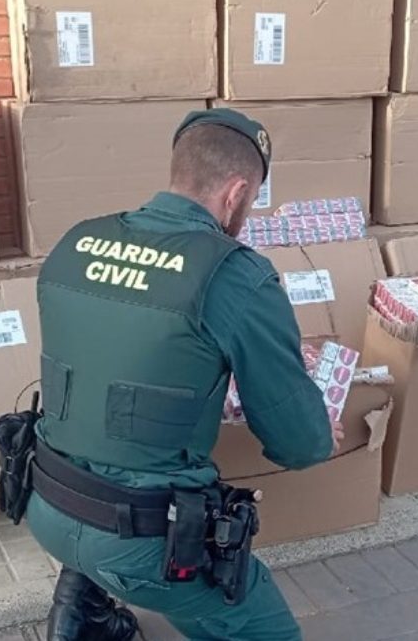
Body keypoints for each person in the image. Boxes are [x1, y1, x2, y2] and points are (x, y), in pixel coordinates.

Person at [25, 108, 343, 641]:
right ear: (237, 192)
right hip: (145, 541)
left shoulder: (76, 242)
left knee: (108, 449)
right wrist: (315, 432)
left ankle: (81, 613)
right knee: (266, 632)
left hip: (46, 504)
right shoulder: (235, 274)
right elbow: (299, 445)